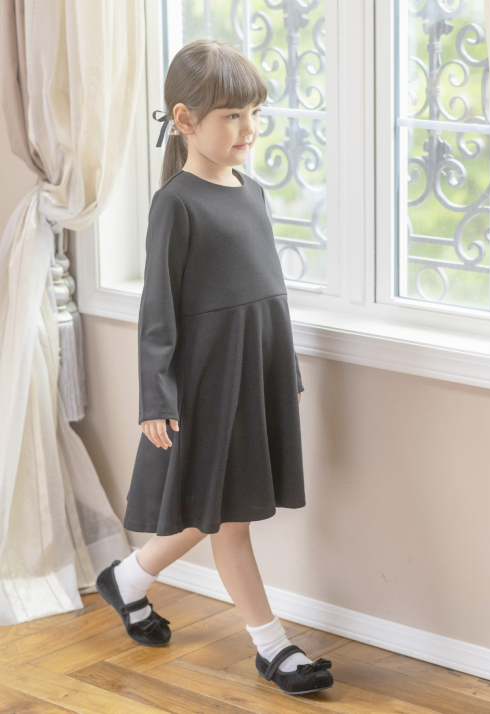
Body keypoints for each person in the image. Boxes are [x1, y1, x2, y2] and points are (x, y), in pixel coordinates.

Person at [96, 38, 333, 696]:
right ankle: (272, 648)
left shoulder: (252, 193)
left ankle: (127, 579)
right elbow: (157, 309)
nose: (248, 128)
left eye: (254, 113)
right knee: (223, 519)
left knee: (220, 514)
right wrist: (155, 396)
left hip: (252, 378)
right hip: (204, 384)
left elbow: (270, 296)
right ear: (185, 120)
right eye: (232, 115)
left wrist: (285, 372)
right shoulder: (175, 204)